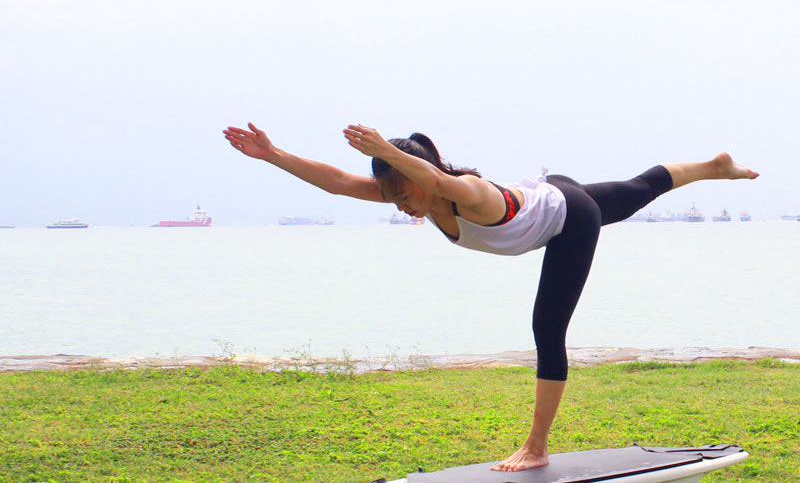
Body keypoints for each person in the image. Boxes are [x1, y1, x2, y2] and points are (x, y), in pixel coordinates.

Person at [223, 122, 759, 472]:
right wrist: (273, 155)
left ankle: (537, 447)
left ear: (425, 178)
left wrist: (387, 150)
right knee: (639, 189)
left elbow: (431, 179)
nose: (401, 204)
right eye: (392, 196)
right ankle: (714, 166)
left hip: (569, 218)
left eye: (404, 190)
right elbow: (339, 181)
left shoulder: (468, 193)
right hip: (552, 190)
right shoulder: (416, 193)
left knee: (547, 330)